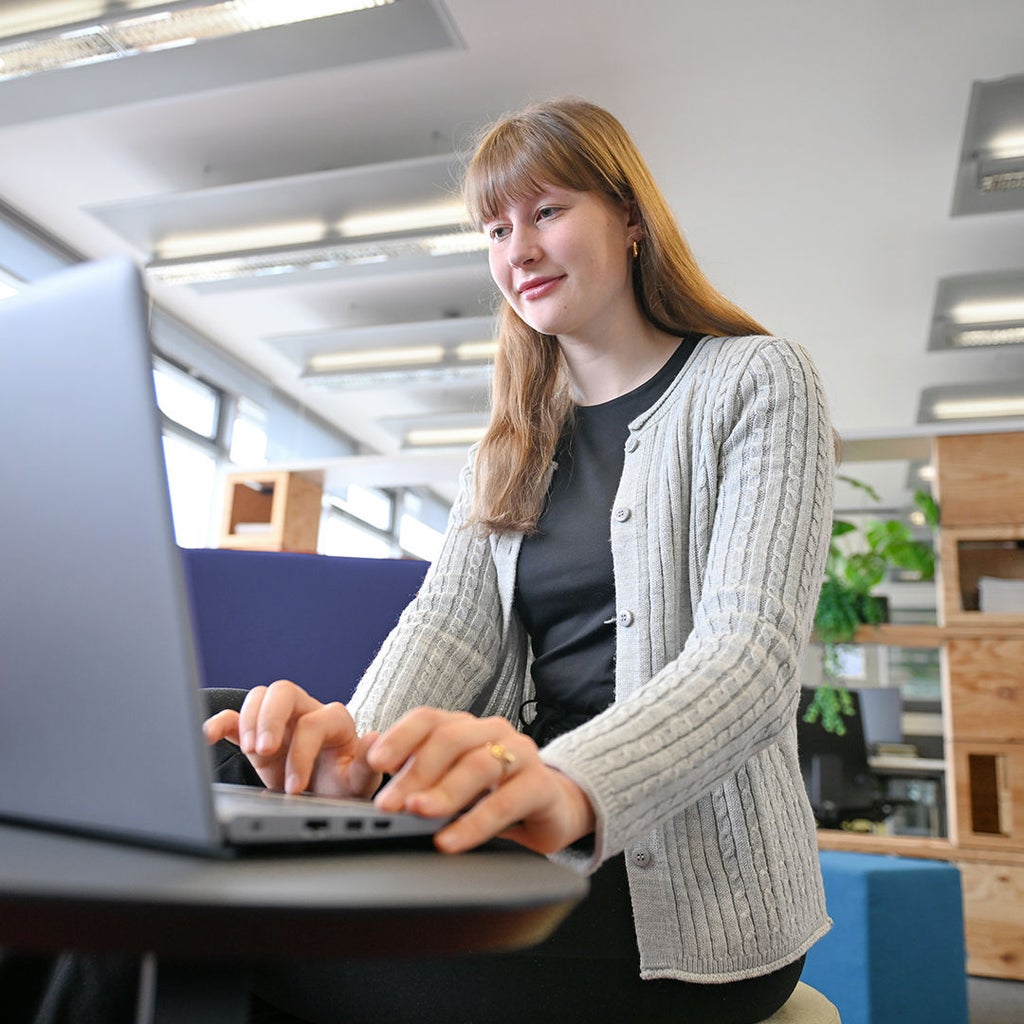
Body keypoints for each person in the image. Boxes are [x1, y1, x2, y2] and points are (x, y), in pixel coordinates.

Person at [200, 97, 836, 1024]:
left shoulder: (756, 379)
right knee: (211, 739)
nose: (518, 250)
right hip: (515, 828)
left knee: (204, 936)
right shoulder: (509, 447)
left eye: (546, 212)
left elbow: (751, 653)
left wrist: (567, 782)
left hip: (685, 904)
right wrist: (352, 766)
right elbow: (447, 626)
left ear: (629, 218)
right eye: (497, 228)